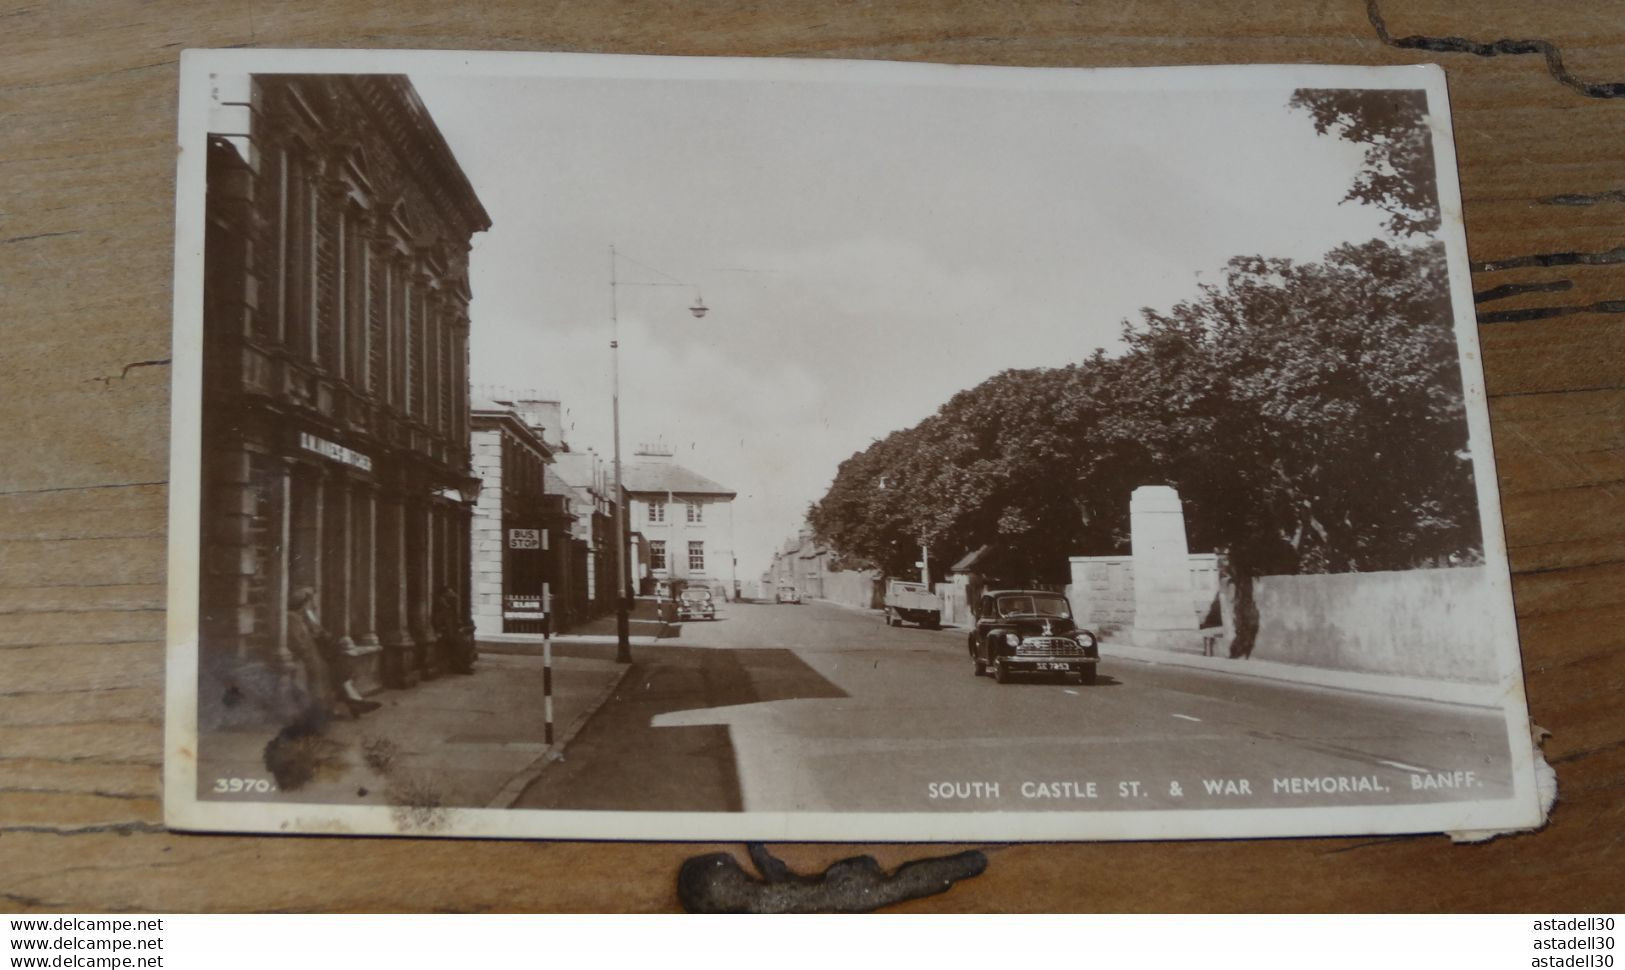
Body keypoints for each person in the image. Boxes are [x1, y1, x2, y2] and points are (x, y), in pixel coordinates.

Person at [288, 586, 380, 719]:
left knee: (338, 660)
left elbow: (321, 634)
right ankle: (353, 700)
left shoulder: (305, 619)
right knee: (334, 664)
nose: (313, 605)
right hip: (306, 656)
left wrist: (313, 623)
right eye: (310, 603)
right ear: (303, 604)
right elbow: (299, 644)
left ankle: (353, 699)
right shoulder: (293, 619)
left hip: (315, 654)